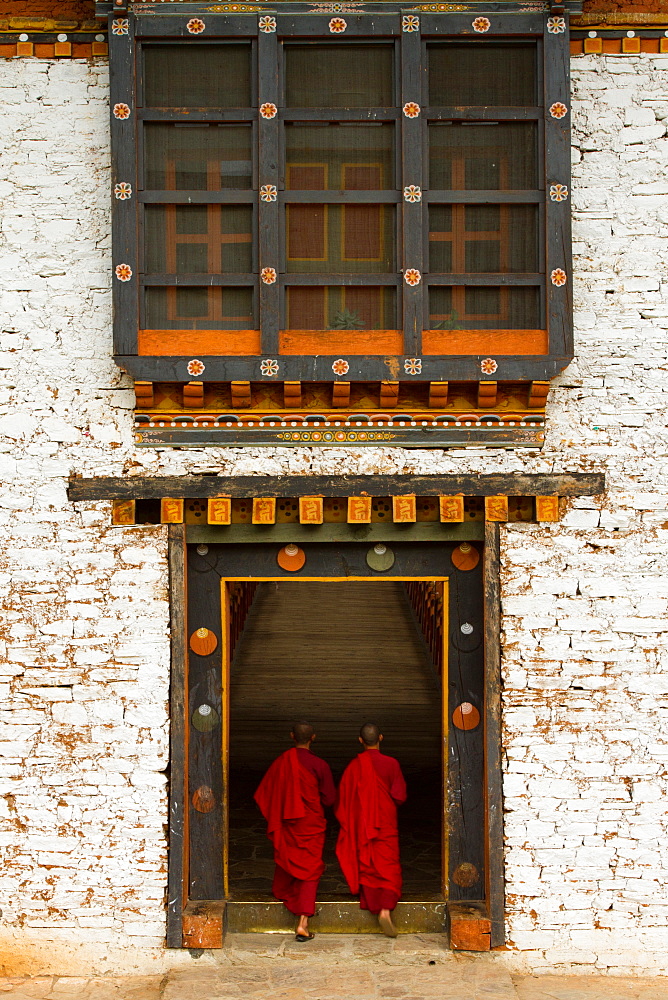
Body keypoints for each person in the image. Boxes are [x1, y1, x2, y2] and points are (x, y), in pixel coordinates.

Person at [254, 721, 335, 941]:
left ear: (292, 736)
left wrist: (281, 810)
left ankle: (284, 892)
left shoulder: (281, 762)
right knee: (310, 868)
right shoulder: (319, 765)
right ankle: (303, 922)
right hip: (311, 824)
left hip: (288, 824)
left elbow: (265, 793)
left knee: (287, 856)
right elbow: (329, 798)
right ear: (313, 737)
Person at [335, 722, 407, 937]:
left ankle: (377, 905)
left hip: (364, 827)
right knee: (388, 866)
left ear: (360, 741)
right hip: (385, 824)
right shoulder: (391, 764)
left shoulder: (353, 767)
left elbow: (342, 801)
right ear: (381, 738)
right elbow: (400, 796)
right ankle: (385, 909)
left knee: (368, 866)